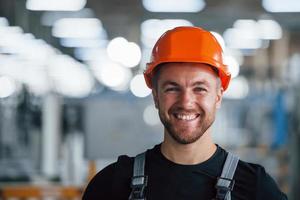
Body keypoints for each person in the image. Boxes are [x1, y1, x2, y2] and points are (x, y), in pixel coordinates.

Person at [82, 26, 287, 200]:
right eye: (172, 88)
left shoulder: (256, 188)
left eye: (199, 89)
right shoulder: (111, 185)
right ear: (155, 96)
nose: (186, 102)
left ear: (218, 96)